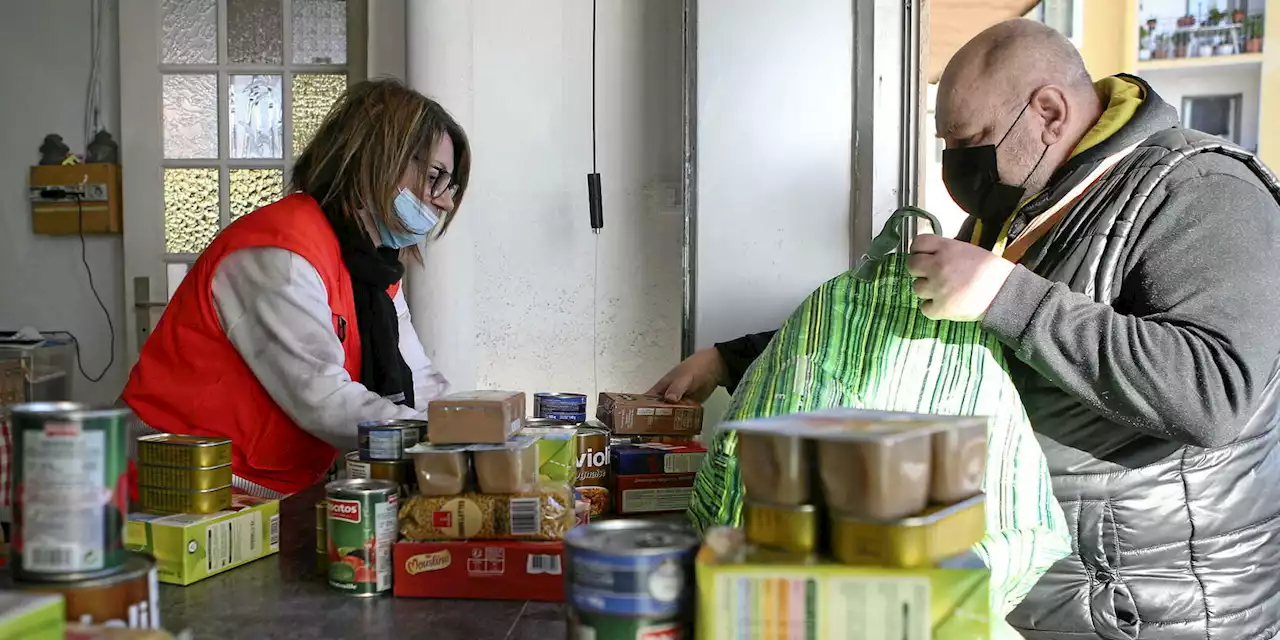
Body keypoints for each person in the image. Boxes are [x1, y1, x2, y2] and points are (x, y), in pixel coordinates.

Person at [655, 19, 1280, 639]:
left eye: (973, 139)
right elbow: (904, 334)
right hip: (1033, 586)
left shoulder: (1201, 188)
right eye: (948, 145)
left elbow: (1214, 393)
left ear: (1050, 112)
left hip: (1146, 604)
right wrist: (732, 359)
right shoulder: (1019, 205)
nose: (958, 165)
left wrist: (1006, 296)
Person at [123, 79, 470, 498]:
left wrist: (478, 428)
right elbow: (323, 398)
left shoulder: (370, 270)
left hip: (259, 491)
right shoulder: (280, 252)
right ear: (377, 157)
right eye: (435, 177)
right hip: (177, 487)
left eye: (448, 186)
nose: (445, 201)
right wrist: (446, 441)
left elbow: (421, 379)